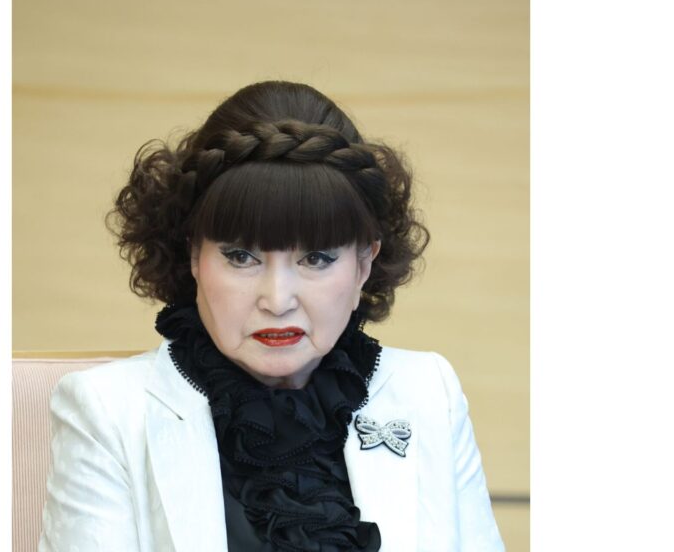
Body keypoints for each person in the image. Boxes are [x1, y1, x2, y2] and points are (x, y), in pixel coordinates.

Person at [38, 81, 505, 551]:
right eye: (241, 257)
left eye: (316, 258)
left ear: (364, 263)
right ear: (194, 256)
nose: (278, 300)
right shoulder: (108, 412)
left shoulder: (430, 393)